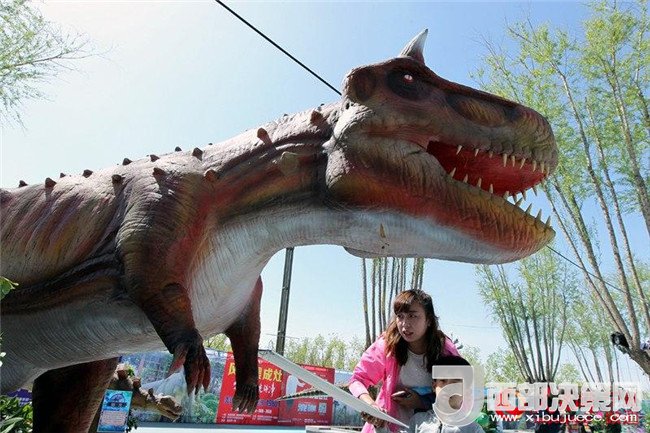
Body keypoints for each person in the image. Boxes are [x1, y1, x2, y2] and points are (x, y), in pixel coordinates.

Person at [349, 289, 460, 433]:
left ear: (429, 320)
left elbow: (459, 395)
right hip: (388, 428)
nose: (405, 324)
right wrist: (371, 406)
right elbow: (357, 380)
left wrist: (422, 402)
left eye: (413, 316)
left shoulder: (445, 350)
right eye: (400, 316)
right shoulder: (387, 346)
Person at [408, 355, 484, 433]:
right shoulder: (418, 421)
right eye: (443, 380)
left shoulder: (473, 429)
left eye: (455, 382)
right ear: (434, 386)